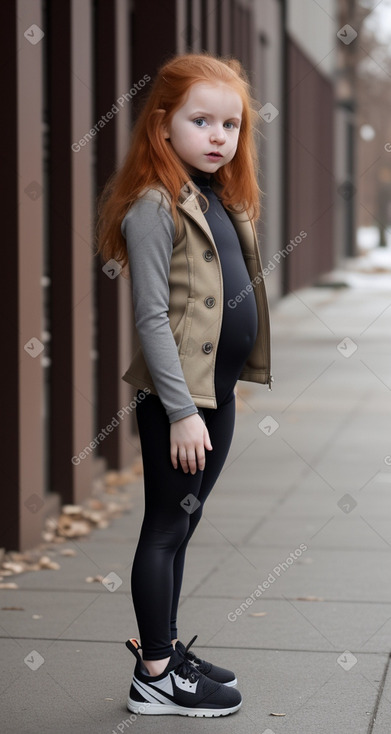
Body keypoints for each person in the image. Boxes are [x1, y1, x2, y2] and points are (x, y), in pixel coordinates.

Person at [96, 51, 272, 718]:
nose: (219, 136)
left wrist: (217, 395)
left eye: (230, 124)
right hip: (181, 403)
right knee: (165, 529)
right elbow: (147, 316)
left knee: (183, 528)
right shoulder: (152, 204)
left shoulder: (221, 194)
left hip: (216, 395)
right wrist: (180, 412)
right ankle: (156, 676)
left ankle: (164, 648)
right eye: (202, 120)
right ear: (162, 122)